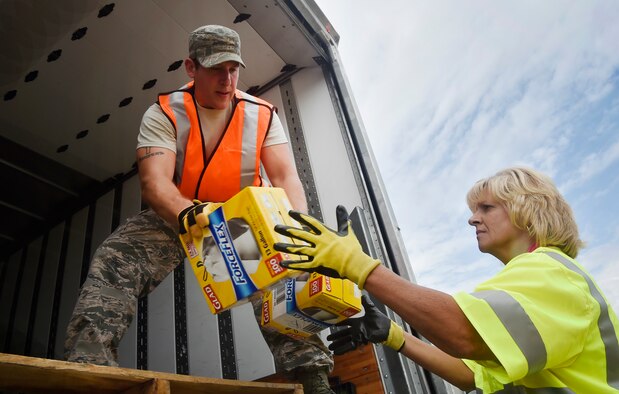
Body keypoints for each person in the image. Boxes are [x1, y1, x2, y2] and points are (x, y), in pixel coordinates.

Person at [64, 25, 335, 394]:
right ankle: (89, 365)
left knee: (285, 276)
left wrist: (298, 229)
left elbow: (287, 177)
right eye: (215, 69)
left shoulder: (262, 114)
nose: (226, 80)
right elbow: (155, 183)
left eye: (233, 69)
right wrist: (187, 214)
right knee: (116, 257)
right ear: (191, 67)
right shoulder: (164, 112)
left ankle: (313, 376)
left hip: (243, 219)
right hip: (185, 213)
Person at [273, 166, 619, 393]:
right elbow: (473, 376)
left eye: (486, 208)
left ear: (527, 210)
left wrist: (357, 264)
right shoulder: (531, 278)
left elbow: (463, 335)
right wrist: (394, 336)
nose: (472, 219)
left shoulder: (553, 273)